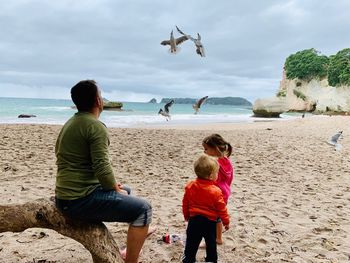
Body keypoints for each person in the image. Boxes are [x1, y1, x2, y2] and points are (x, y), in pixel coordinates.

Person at [55, 80, 152, 263]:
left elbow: (74, 161)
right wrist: (113, 188)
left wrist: (113, 186)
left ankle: (130, 245)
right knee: (144, 210)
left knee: (128, 191)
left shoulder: (72, 123)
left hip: (66, 196)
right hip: (78, 201)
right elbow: (102, 167)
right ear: (98, 101)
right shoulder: (95, 126)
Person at [182, 155, 230, 263]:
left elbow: (185, 203)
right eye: (216, 173)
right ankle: (211, 260)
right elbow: (222, 209)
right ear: (210, 176)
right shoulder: (215, 191)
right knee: (211, 243)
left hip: (194, 221)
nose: (217, 175)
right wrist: (226, 221)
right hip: (209, 222)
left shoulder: (190, 186)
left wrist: (186, 215)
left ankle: (189, 259)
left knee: (191, 242)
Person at [202, 134, 234, 244]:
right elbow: (230, 178)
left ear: (215, 148)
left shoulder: (215, 164)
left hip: (216, 194)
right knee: (218, 217)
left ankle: (211, 240)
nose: (204, 151)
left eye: (206, 149)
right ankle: (219, 238)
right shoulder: (227, 161)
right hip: (225, 193)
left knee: (210, 217)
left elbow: (212, 180)